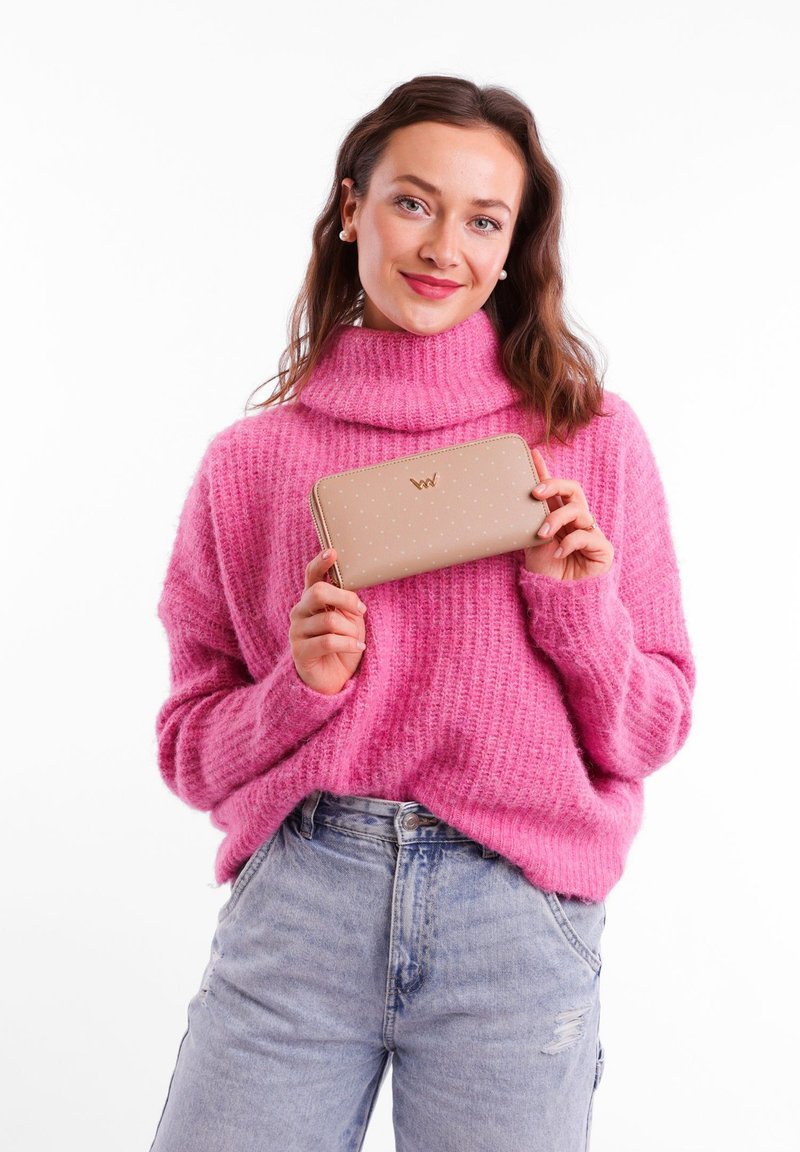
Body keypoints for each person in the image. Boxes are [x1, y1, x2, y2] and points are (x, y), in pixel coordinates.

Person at [148, 74, 695, 1152]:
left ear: (512, 247)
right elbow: (190, 756)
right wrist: (299, 689)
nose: (444, 247)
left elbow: (650, 731)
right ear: (352, 208)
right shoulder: (249, 465)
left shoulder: (589, 437)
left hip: (516, 917)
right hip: (302, 905)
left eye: (483, 220)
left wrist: (576, 608)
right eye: (413, 202)